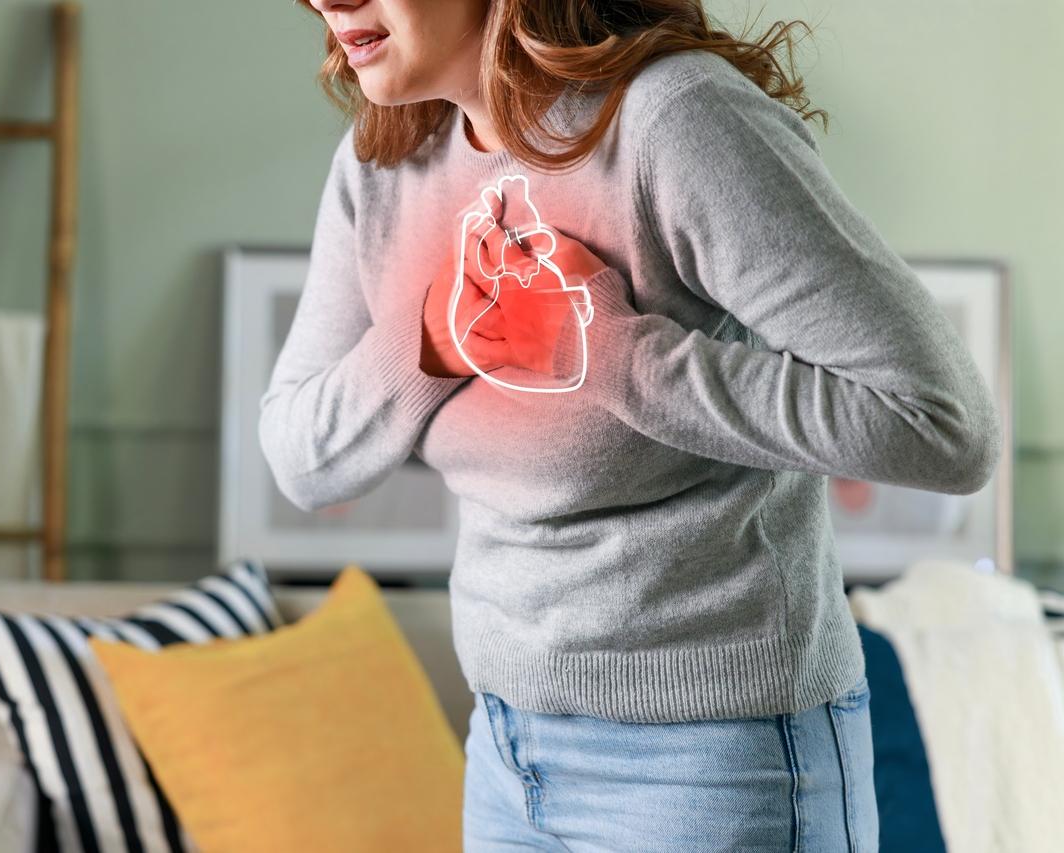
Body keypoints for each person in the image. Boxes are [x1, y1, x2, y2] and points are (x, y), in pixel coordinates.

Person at [262, 1, 1002, 849]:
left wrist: (610, 353)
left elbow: (942, 422)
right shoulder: (380, 162)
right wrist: (431, 333)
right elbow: (299, 457)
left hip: (720, 761)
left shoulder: (673, 120)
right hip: (506, 755)